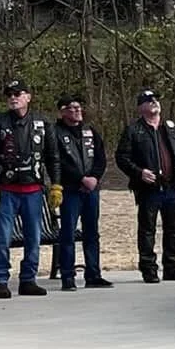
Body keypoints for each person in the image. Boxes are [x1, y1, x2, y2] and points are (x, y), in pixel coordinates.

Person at [116, 88, 175, 282]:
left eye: (156, 100)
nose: (154, 103)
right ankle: (149, 268)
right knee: (147, 229)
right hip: (149, 189)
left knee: (174, 228)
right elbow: (122, 157)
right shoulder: (134, 130)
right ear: (140, 107)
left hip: (171, 186)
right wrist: (139, 172)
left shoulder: (172, 127)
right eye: (149, 100)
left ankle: (171, 267)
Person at [0, 79, 51, 299]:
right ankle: (1, 279)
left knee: (34, 236)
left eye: (18, 93)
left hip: (33, 189)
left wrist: (56, 184)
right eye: (9, 94)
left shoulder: (41, 122)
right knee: (2, 236)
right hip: (6, 189)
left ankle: (28, 279)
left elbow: (53, 156)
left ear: (28, 97)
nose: (13, 98)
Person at [49, 94, 112, 290]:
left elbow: (101, 157)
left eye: (78, 107)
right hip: (70, 189)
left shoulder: (90, 131)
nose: (77, 111)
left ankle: (93, 274)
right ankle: (68, 276)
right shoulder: (55, 133)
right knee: (68, 233)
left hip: (91, 189)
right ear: (62, 112)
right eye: (71, 108)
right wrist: (80, 178)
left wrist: (94, 177)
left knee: (92, 232)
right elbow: (57, 161)